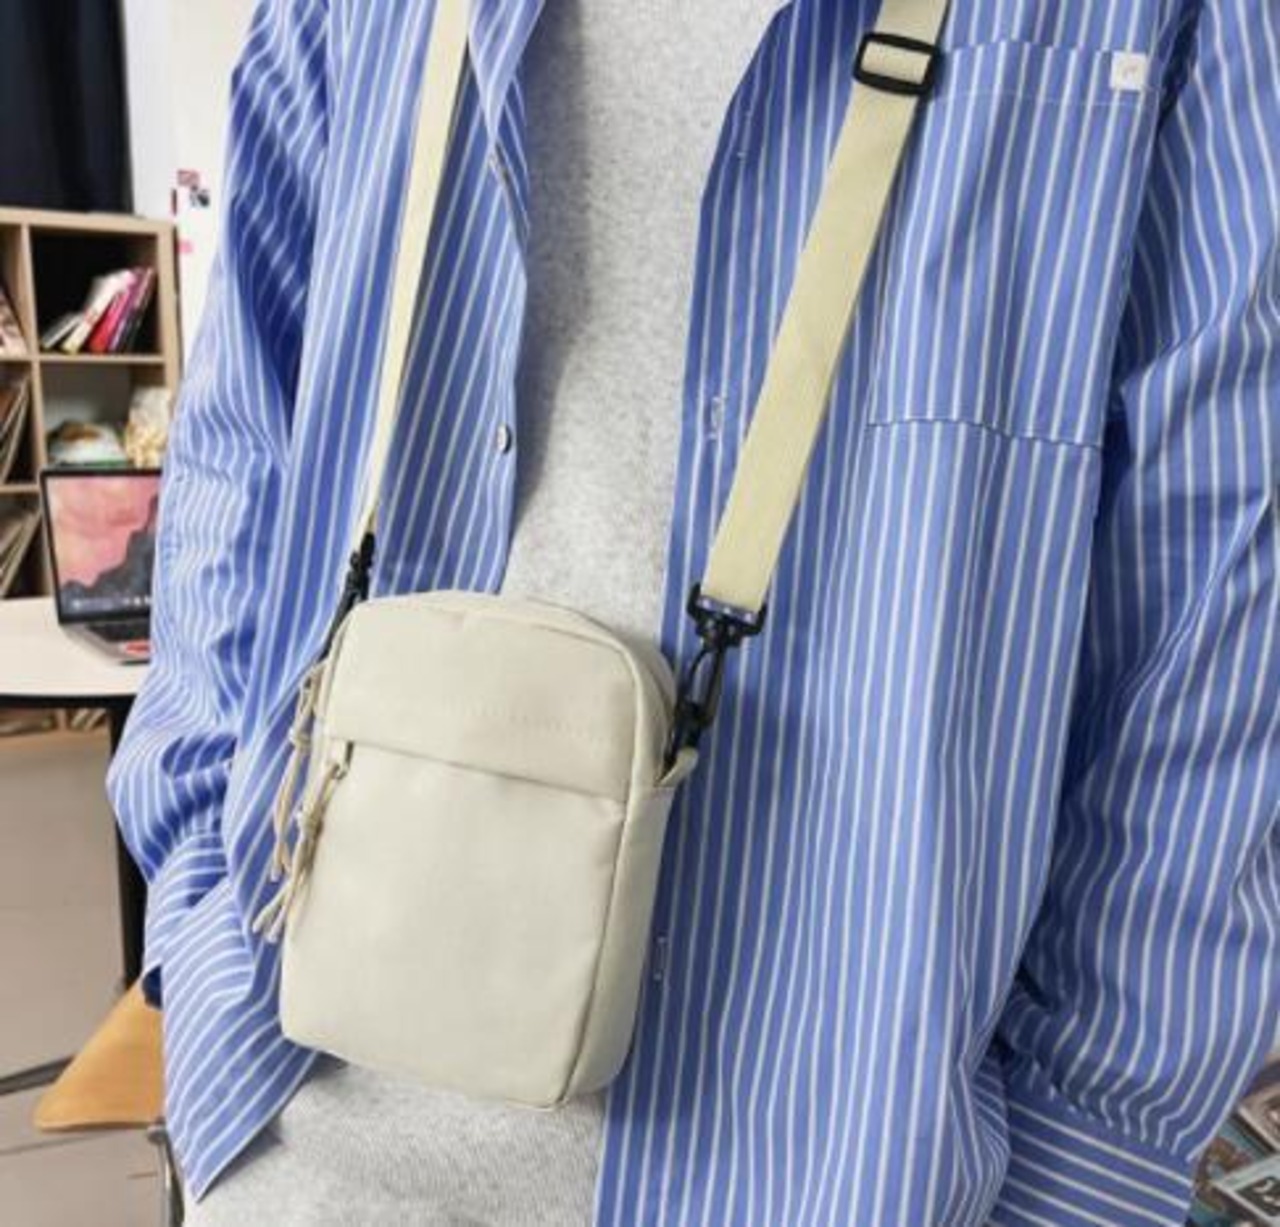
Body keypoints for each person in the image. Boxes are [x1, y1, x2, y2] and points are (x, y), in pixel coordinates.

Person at [108, 0, 1279, 1223]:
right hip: (304, 1137)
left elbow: (1213, 606)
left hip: (840, 1176)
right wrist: (201, 926)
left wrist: (1081, 1164)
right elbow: (237, 453)